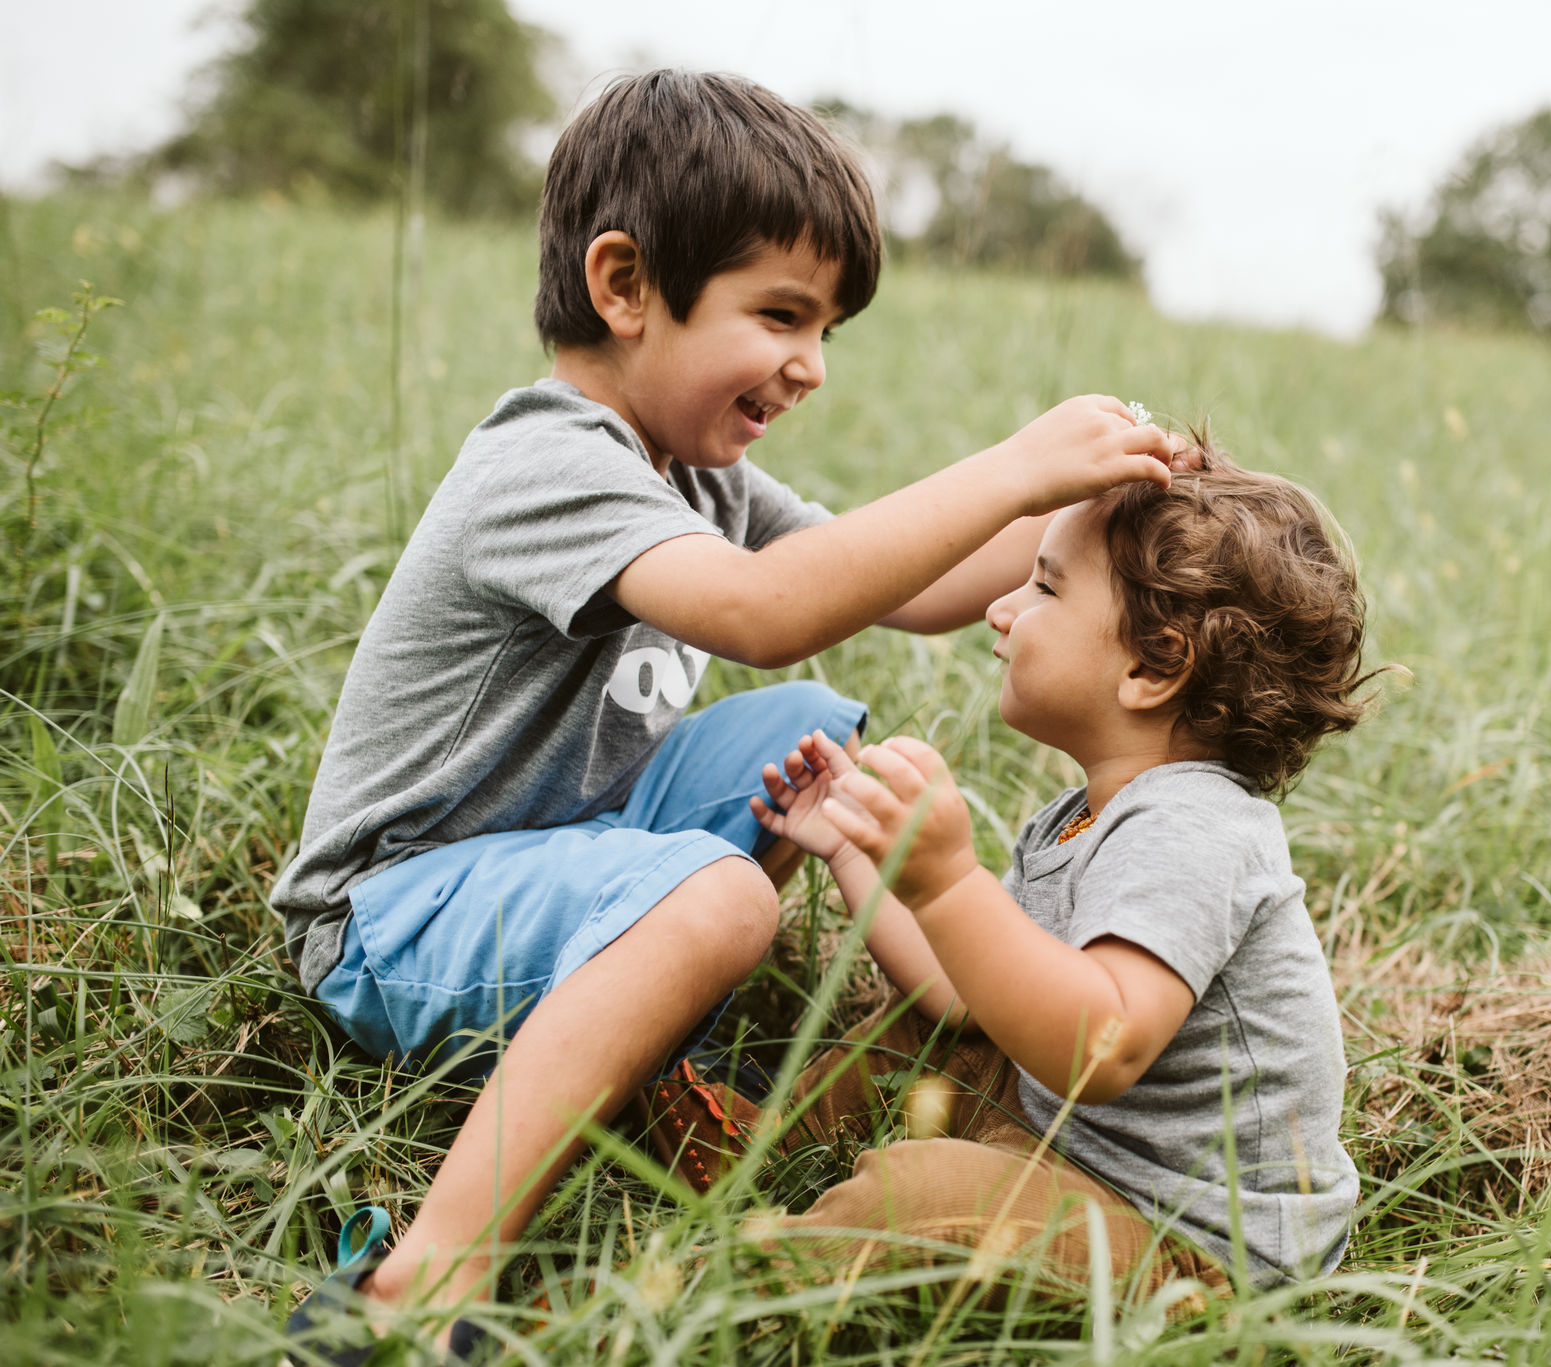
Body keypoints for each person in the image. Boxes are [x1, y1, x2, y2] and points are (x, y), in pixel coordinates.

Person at [275, 69, 1182, 1358]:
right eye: (781, 316)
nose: (808, 367)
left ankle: (671, 1030)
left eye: (825, 330)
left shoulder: (696, 471)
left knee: (801, 725)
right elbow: (766, 608)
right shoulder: (542, 460)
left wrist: (1089, 508)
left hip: (554, 844)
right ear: (625, 286)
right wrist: (1011, 462)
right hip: (391, 911)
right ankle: (419, 1281)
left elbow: (911, 589)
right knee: (723, 895)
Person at [663, 445, 1372, 1296]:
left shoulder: (1197, 829)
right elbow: (966, 993)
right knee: (937, 1040)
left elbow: (1101, 1047)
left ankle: (735, 1285)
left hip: (1187, 1246)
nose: (998, 610)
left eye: (1043, 587)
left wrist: (952, 881)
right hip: (1070, 1150)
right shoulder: (1085, 814)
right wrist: (862, 851)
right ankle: (765, 1149)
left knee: (921, 1196)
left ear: (1152, 666)